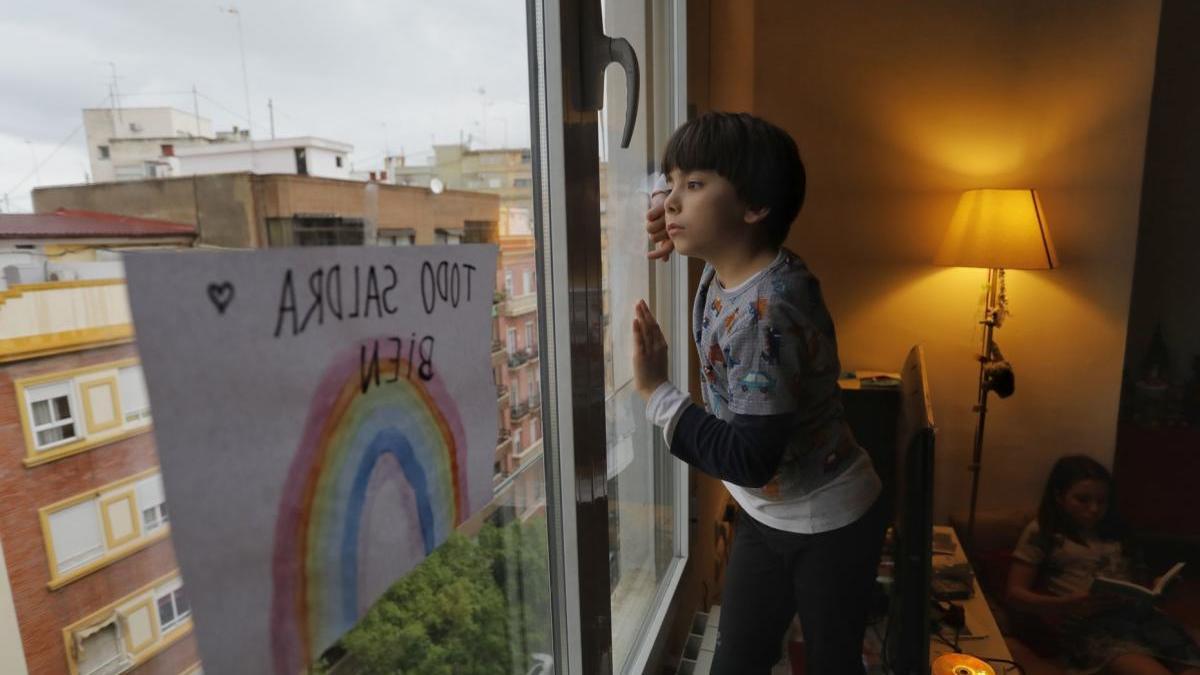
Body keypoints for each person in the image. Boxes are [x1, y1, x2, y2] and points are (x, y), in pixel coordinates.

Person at [630, 111, 885, 674]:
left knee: (832, 663)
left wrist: (656, 392)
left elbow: (749, 457)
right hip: (766, 512)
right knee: (737, 658)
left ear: (754, 207)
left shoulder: (766, 313)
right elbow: (682, 199)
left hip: (830, 519)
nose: (670, 200)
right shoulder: (731, 260)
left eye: (692, 186)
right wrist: (671, 204)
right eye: (670, 184)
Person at [1006, 454, 1200, 674]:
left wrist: (1158, 587)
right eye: (1083, 500)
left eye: (1102, 501)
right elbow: (1014, 594)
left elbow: (1136, 582)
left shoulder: (1118, 531)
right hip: (1092, 626)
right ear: (1059, 496)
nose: (1094, 509)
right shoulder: (1043, 531)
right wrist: (1065, 603)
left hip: (1141, 619)